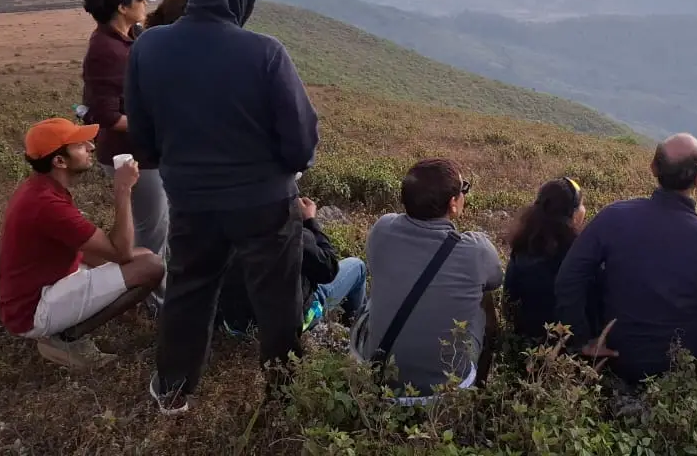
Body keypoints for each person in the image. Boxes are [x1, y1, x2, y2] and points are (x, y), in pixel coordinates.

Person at [126, 0, 320, 414]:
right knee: (278, 301)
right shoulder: (265, 52)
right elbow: (300, 143)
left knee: (189, 290)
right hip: (264, 203)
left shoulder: (149, 46)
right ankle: (282, 396)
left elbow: (143, 138)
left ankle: (173, 391)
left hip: (191, 199)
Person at [554, 134, 697, 386]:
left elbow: (569, 278)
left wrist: (581, 339)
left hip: (615, 362)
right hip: (681, 373)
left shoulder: (613, 218)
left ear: (653, 168)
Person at [0, 118, 165, 369]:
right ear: (59, 161)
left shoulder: (40, 189)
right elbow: (120, 252)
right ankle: (66, 338)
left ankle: (102, 314)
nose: (91, 147)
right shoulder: (48, 205)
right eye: (79, 145)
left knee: (142, 256)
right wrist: (123, 190)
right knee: (151, 267)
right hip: (33, 310)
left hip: (39, 288)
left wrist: (121, 270)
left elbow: (110, 253)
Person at [350, 159, 503, 399]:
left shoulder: (382, 228)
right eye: (463, 189)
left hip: (375, 371)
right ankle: (477, 389)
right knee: (483, 302)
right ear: (453, 204)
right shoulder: (477, 250)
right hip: (443, 388)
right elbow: (495, 279)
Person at [79, 0, 169, 310]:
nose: (145, 4)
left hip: (144, 151)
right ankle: (153, 301)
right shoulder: (106, 50)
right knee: (151, 230)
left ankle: (156, 292)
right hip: (132, 155)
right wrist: (160, 125)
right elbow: (108, 115)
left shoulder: (129, 38)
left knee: (158, 224)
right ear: (122, 6)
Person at [217, 196, 367, 336]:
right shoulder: (289, 233)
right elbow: (329, 269)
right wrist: (310, 221)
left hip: (238, 325)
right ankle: (358, 331)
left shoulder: (223, 226)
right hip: (289, 327)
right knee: (357, 266)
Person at [503, 177, 591, 345]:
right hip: (569, 344)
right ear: (573, 213)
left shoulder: (523, 246)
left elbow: (509, 302)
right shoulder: (579, 253)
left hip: (523, 341)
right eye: (581, 205)